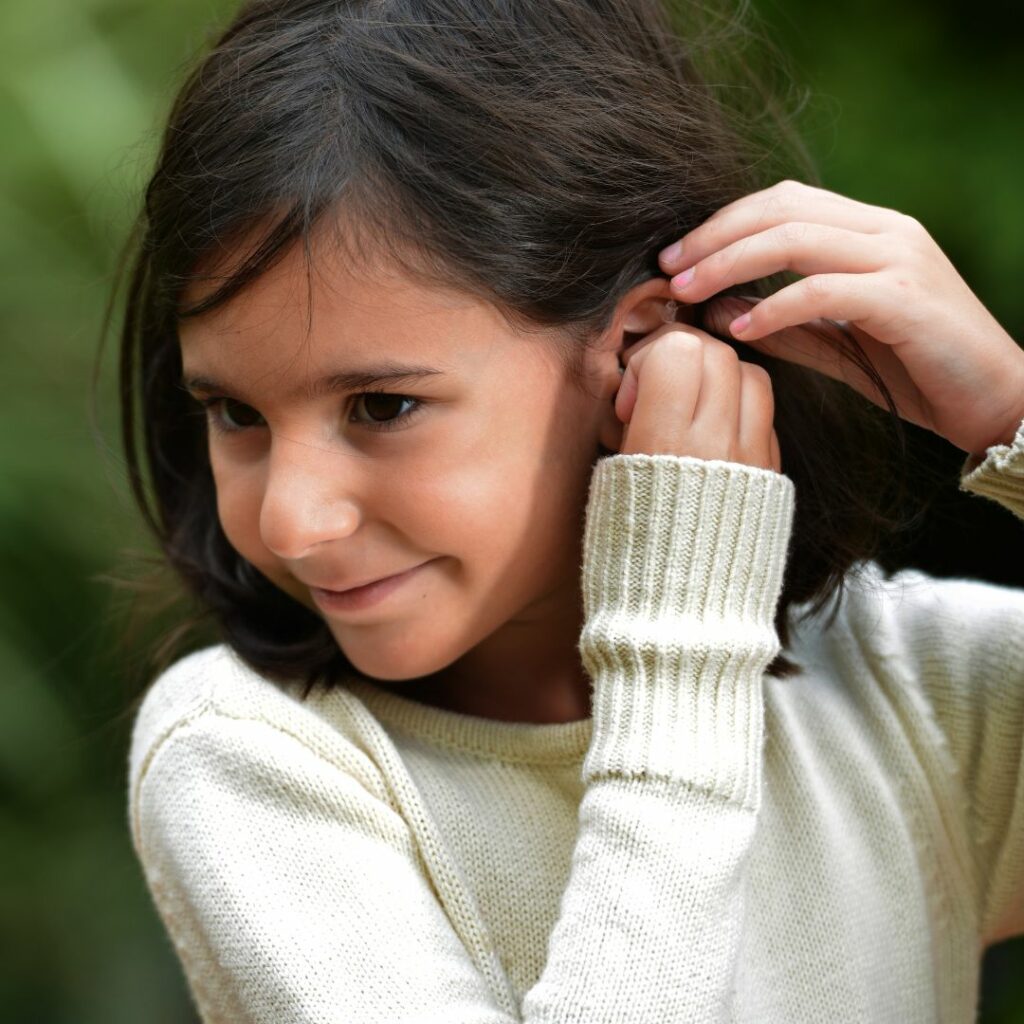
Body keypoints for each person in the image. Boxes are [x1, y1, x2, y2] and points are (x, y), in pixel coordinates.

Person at [115, 0, 1024, 1020]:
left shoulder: (904, 694)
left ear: (634, 350)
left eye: (381, 406)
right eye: (234, 412)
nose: (291, 520)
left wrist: (1011, 411)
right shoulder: (249, 755)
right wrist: (678, 661)